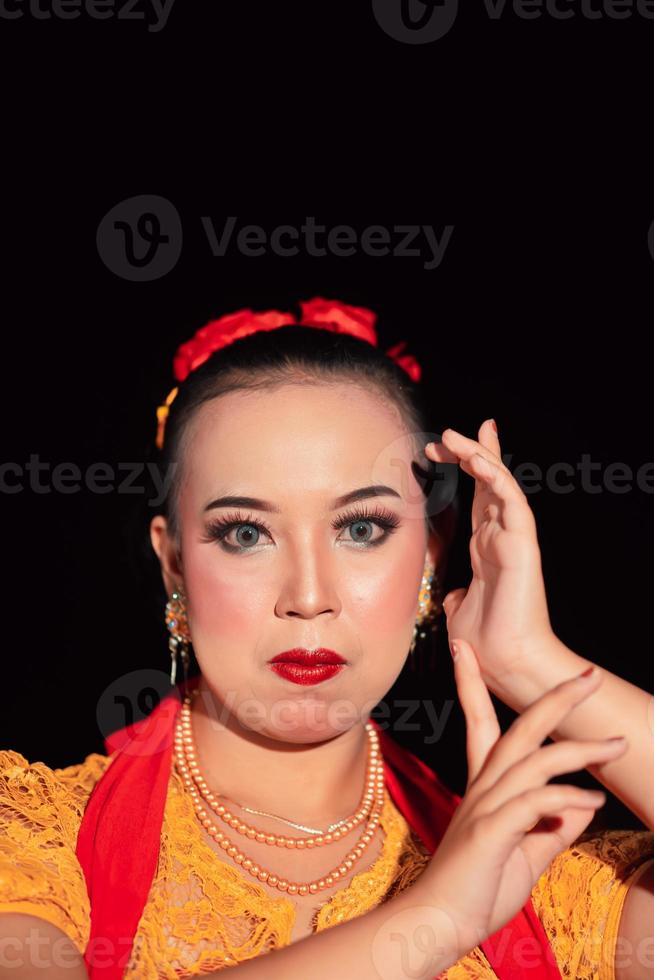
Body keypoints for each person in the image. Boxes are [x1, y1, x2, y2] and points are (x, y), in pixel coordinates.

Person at [1, 296, 653, 980]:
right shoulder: (37, 839)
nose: (308, 598)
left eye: (361, 529)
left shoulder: (526, 882)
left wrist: (530, 659)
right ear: (174, 565)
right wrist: (435, 920)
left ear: (432, 554)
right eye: (245, 534)